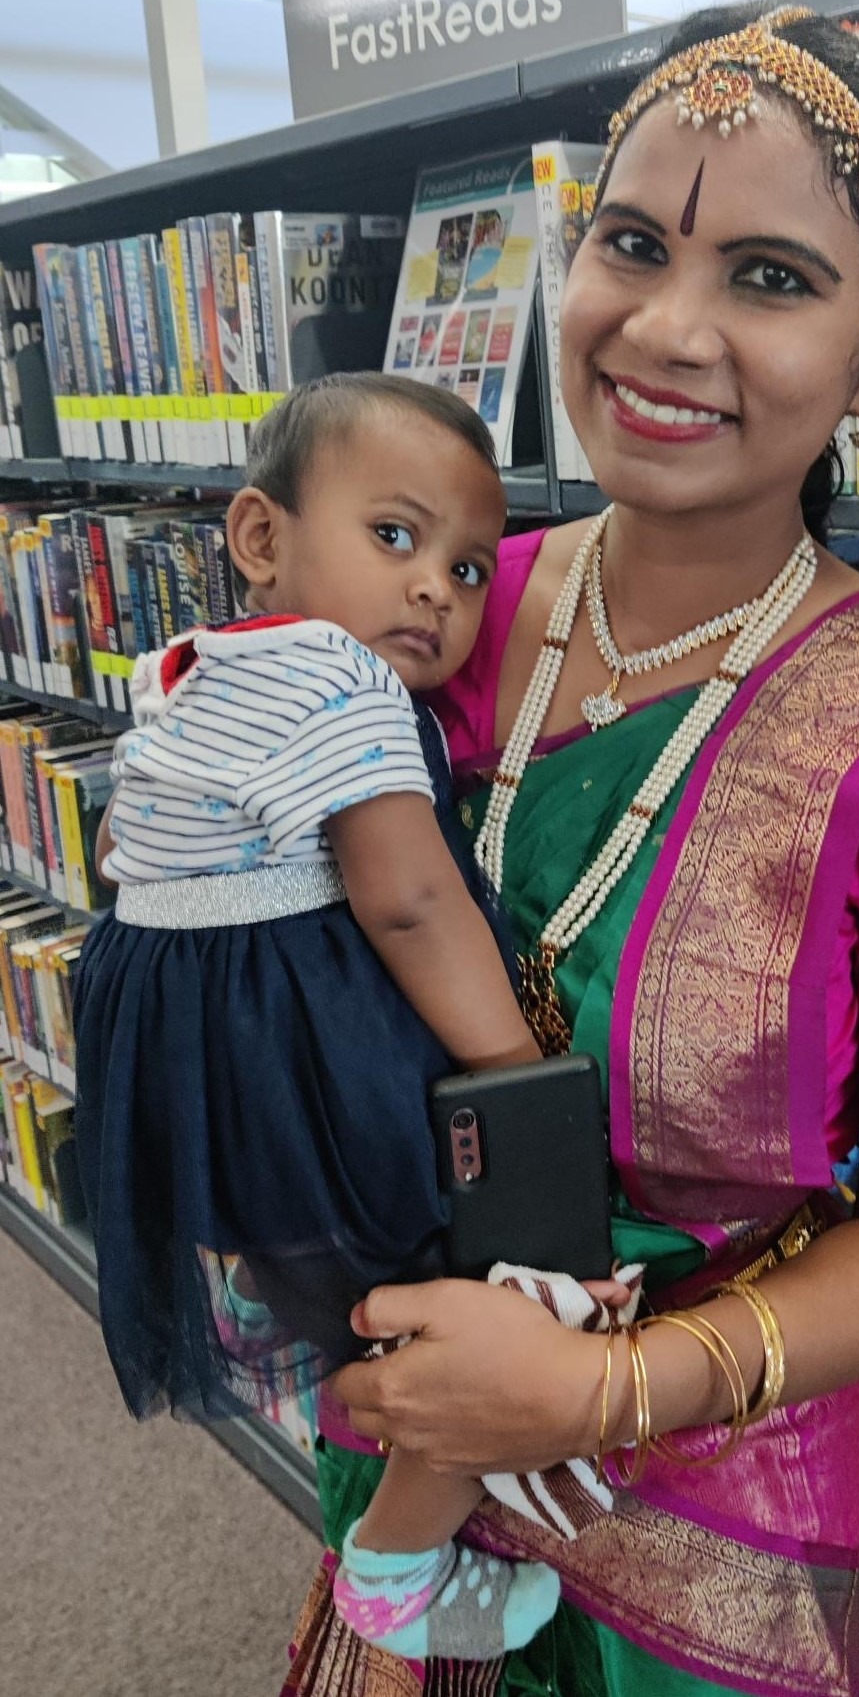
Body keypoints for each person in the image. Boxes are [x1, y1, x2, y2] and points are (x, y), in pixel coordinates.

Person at [285, 6, 859, 1697]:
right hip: (408, 1437)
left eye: (772, 279)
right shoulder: (435, 612)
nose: (664, 327)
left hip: (721, 1534)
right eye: (633, 245)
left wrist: (600, 1389)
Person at [71, 372, 597, 1665]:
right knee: (485, 1314)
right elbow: (409, 897)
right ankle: (397, 1567)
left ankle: (311, 1328)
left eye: (473, 569)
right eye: (396, 537)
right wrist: (516, 1071)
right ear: (261, 539)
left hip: (204, 1080)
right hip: (302, 1070)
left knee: (346, 1293)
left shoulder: (193, 671)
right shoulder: (338, 678)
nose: (436, 590)